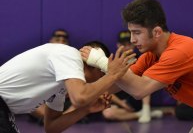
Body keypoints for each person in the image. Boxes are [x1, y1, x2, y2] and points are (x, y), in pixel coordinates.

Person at [80, 0, 193, 133]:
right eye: (131, 32)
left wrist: (101, 62)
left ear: (157, 32)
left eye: (137, 33)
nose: (132, 40)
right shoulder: (150, 55)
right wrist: (93, 92)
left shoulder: (179, 51)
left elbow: (139, 90)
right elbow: (122, 81)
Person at [0, 42, 135, 133]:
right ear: (94, 65)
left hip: (5, 110)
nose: (98, 83)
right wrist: (112, 75)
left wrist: (86, 110)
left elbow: (51, 127)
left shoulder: (62, 83)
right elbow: (80, 98)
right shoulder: (69, 54)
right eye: (101, 76)